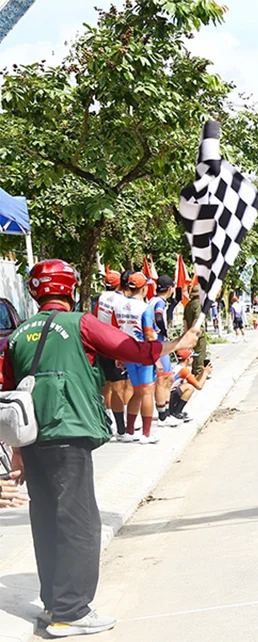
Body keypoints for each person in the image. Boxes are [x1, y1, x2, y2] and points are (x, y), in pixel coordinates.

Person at [3, 259, 198, 638]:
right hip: (68, 430)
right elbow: (133, 351)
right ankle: (71, 612)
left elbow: (9, 394)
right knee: (79, 522)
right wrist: (177, 343)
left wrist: (17, 451)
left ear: (33, 291)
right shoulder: (81, 323)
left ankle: (53, 604)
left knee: (46, 520)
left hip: (31, 437)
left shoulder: (18, 334)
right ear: (70, 288)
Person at [116, 272, 160, 444]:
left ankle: (129, 431)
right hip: (143, 353)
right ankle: (146, 434)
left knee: (137, 391)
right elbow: (149, 334)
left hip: (127, 352)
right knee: (147, 392)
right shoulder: (145, 308)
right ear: (144, 288)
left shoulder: (119, 305)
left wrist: (118, 356)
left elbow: (116, 330)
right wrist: (156, 356)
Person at [92, 270, 131, 437]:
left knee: (106, 386)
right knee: (119, 388)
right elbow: (118, 325)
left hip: (100, 345)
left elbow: (94, 318)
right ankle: (121, 428)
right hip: (114, 346)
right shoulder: (120, 301)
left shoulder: (101, 298)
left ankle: (108, 421)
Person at [150, 276, 180, 427]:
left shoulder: (155, 300)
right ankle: (163, 415)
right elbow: (158, 317)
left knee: (167, 378)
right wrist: (163, 331)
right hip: (159, 341)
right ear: (170, 289)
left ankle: (166, 411)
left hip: (159, 340)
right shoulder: (159, 302)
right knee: (163, 378)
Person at [168, 349, 211, 421]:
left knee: (188, 385)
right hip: (169, 397)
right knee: (189, 388)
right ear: (188, 359)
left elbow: (194, 381)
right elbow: (199, 386)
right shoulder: (184, 370)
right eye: (192, 357)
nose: (193, 359)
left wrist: (202, 373)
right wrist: (206, 373)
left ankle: (175, 410)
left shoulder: (180, 367)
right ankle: (176, 411)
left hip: (169, 396)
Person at [183, 283, 209, 377]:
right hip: (198, 334)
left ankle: (195, 372)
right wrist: (194, 333)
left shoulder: (188, 305)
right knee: (200, 354)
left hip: (190, 333)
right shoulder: (198, 304)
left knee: (193, 355)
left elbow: (185, 321)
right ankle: (199, 375)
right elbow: (196, 320)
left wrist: (187, 335)